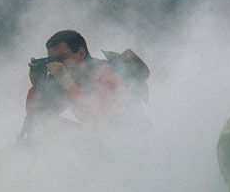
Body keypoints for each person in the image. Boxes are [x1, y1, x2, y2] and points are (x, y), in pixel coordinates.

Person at [20, 29, 149, 144]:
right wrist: (39, 86)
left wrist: (67, 83)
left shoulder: (107, 74)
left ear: (81, 53)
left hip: (129, 144)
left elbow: (98, 121)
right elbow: (38, 115)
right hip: (102, 143)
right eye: (52, 60)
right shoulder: (68, 77)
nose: (57, 64)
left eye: (61, 58)